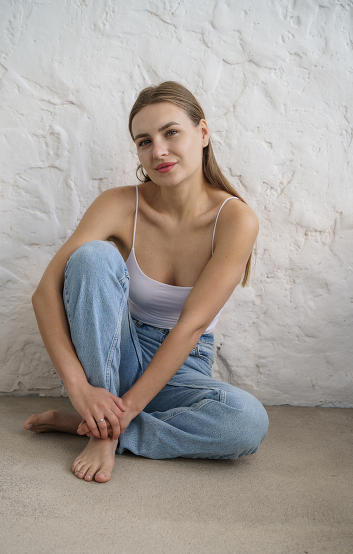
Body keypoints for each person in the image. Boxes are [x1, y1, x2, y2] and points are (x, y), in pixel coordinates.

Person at [24, 81, 269, 483]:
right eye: (144, 141)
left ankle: (102, 428)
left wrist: (122, 418)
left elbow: (190, 327)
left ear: (202, 133)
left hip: (182, 365)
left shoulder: (236, 220)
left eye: (171, 132)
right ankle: (99, 419)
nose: (158, 151)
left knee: (246, 422)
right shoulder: (119, 204)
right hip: (114, 351)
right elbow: (45, 293)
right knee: (92, 257)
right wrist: (79, 388)